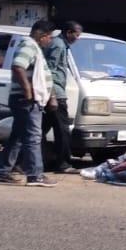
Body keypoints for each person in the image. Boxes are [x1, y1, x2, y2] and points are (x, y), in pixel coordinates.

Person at [0, 19, 57, 186]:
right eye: (49, 37)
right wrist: (28, 90)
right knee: (33, 137)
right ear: (42, 35)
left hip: (27, 99)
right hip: (26, 100)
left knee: (18, 137)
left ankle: (2, 171)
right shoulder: (29, 45)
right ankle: (35, 175)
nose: (50, 40)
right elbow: (18, 66)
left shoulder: (34, 47)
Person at [41, 19, 84, 174]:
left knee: (40, 130)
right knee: (62, 131)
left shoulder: (59, 44)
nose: (77, 38)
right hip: (56, 94)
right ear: (68, 32)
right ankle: (63, 164)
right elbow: (50, 71)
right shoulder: (58, 45)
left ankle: (31, 161)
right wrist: (53, 95)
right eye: (76, 35)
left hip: (52, 93)